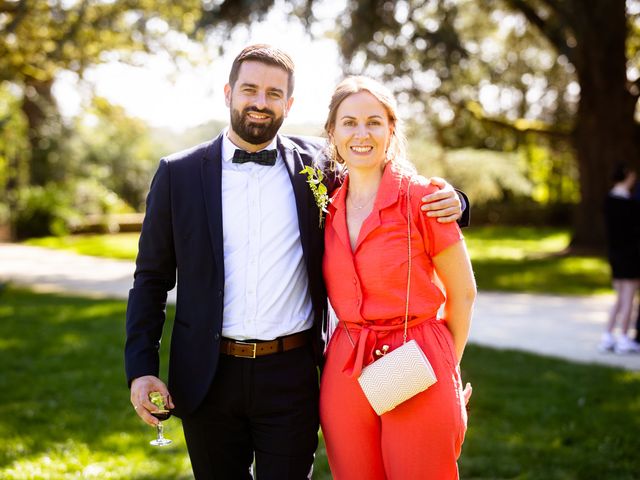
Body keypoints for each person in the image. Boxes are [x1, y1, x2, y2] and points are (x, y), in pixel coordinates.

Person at [124, 44, 467, 480]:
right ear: (228, 92)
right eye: (249, 89)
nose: (260, 102)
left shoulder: (319, 167)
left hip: (290, 375)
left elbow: (380, 176)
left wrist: (454, 201)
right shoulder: (179, 174)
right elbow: (151, 280)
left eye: (273, 93)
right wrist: (141, 370)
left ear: (289, 103)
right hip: (207, 376)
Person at [319, 76, 476, 479]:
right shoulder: (325, 203)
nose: (361, 133)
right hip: (345, 364)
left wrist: (443, 368)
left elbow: (463, 293)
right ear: (332, 132)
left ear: (391, 130)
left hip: (417, 358)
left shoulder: (423, 198)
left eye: (374, 122)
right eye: (349, 122)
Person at [599, 163, 640, 354]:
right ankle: (623, 337)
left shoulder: (608, 200)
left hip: (615, 253)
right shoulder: (628, 203)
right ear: (626, 176)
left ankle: (608, 335)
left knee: (620, 296)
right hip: (630, 254)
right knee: (629, 297)